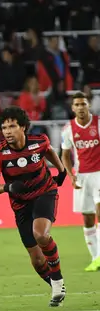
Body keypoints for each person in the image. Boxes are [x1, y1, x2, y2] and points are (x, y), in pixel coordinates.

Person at [0, 106, 67, 307]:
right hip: (20, 204)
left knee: (41, 234)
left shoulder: (39, 142)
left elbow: (49, 151)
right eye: (4, 128)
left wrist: (62, 170)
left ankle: (57, 281)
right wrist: (8, 186)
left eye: (12, 126)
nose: (8, 131)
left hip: (45, 192)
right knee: (38, 260)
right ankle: (56, 285)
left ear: (23, 127)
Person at [60, 91, 100, 271]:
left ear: (88, 105)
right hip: (82, 176)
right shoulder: (68, 129)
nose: (81, 108)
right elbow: (65, 154)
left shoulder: (98, 124)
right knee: (87, 218)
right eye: (77, 105)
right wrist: (70, 174)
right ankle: (95, 258)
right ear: (72, 108)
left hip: (99, 173)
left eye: (83, 104)